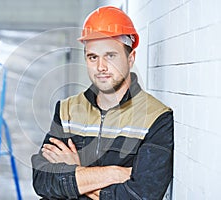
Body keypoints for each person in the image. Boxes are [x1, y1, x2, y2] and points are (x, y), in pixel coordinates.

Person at [31, 6, 174, 200]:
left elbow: (141, 195)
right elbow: (43, 181)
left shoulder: (156, 117)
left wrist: (77, 172)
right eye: (93, 57)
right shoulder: (67, 110)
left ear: (130, 58)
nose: (101, 67)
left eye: (110, 56)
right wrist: (113, 173)